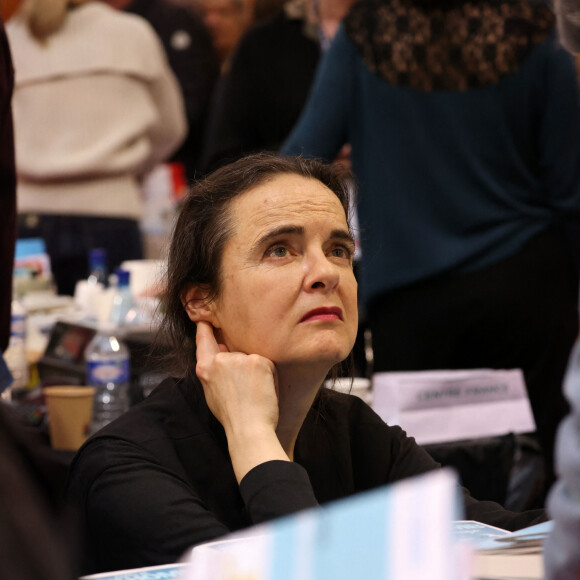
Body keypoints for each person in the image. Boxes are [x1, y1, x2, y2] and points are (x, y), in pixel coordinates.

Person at [67, 153, 545, 574]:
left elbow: (512, 539)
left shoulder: (354, 431)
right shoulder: (126, 468)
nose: (325, 274)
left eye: (339, 250)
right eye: (280, 250)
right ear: (200, 301)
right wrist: (254, 437)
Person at [282, 0, 580, 500]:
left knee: (418, 490)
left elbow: (301, 157)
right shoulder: (537, 30)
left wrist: (222, 239)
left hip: (414, 302)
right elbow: (570, 185)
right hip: (525, 289)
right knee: (552, 482)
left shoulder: (368, 34)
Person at [6, 0, 187, 296]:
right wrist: (132, 171)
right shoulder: (132, 34)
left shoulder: (12, 37)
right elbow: (171, 128)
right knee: (117, 332)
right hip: (112, 213)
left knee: (27, 335)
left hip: (28, 220)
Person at [201, 0, 357, 173]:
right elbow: (223, 160)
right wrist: (316, 160)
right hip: (291, 191)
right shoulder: (262, 43)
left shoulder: (385, 39)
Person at [104, 0, 220, 181]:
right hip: (113, 170)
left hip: (177, 170)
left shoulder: (171, 20)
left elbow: (186, 112)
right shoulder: (78, 26)